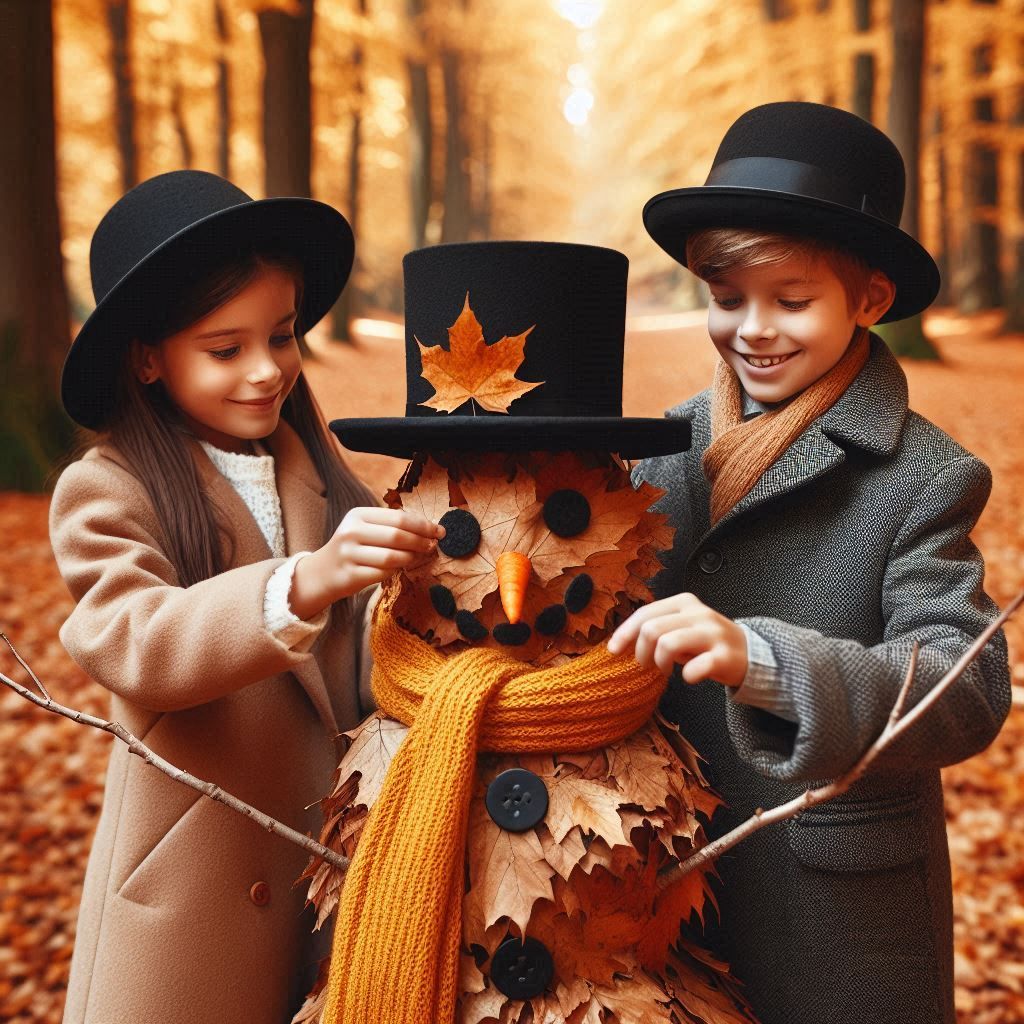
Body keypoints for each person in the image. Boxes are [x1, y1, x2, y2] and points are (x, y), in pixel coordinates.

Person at [608, 102, 1011, 1024]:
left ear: (869, 301)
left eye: (792, 301)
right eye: (726, 297)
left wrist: (772, 665)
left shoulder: (922, 475)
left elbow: (967, 684)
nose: (754, 329)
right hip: (662, 885)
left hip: (831, 911)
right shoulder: (659, 449)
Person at [49, 170, 443, 1024]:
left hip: (323, 877)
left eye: (284, 334)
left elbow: (369, 661)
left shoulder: (322, 477)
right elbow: (132, 640)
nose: (267, 371)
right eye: (225, 350)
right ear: (148, 358)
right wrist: (300, 584)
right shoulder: (109, 488)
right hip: (196, 897)